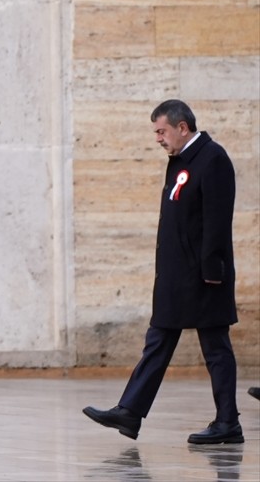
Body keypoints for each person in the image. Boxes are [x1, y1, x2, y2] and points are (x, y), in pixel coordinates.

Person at [83, 100, 242, 444]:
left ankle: (228, 422)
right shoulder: (179, 162)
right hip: (176, 276)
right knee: (158, 339)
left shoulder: (213, 159)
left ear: (182, 127)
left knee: (215, 347)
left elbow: (217, 221)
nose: (157, 138)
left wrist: (213, 270)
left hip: (204, 276)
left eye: (161, 131)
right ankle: (130, 411)